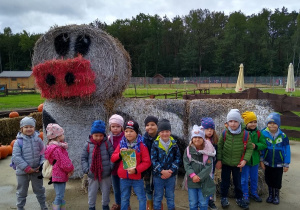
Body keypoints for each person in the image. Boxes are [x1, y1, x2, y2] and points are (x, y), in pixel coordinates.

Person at [216, 109, 253, 209]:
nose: (233, 124)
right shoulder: (224, 133)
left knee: (238, 182)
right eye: (230, 121)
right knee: (225, 182)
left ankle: (239, 198)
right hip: (226, 163)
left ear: (239, 122)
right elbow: (220, 147)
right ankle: (224, 198)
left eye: (235, 121)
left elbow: (249, 148)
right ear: (227, 122)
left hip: (238, 164)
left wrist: (245, 160)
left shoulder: (245, 134)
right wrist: (219, 160)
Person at [111, 120, 151, 210]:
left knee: (141, 198)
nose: (128, 133)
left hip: (137, 178)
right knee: (124, 198)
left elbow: (147, 162)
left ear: (136, 132)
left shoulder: (141, 145)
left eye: (131, 131)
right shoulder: (122, 144)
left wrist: (136, 170)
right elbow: (113, 158)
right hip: (124, 178)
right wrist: (120, 154)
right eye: (126, 131)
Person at [11, 117, 48, 210]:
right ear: (21, 129)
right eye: (26, 127)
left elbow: (43, 153)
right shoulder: (18, 142)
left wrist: (41, 165)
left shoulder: (38, 140)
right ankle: (20, 207)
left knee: (39, 190)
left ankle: (43, 206)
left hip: (36, 171)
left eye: (31, 126)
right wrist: (27, 168)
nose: (28, 129)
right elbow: (16, 157)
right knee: (21, 192)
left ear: (34, 128)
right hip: (22, 173)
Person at [81, 120, 114, 210]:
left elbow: (112, 155)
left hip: (106, 173)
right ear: (92, 135)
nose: (98, 138)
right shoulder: (87, 144)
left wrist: (110, 167)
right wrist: (86, 169)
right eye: (96, 135)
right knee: (92, 192)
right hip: (92, 173)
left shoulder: (107, 143)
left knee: (106, 192)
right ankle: (91, 207)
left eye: (101, 135)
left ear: (104, 135)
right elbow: (83, 158)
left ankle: (105, 206)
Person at [260, 112, 291, 205]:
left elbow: (287, 150)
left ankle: (276, 195)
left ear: (278, 124)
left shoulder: (283, 136)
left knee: (277, 180)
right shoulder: (263, 133)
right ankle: (270, 195)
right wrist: (262, 160)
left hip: (279, 163)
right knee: (268, 179)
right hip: (267, 162)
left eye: (274, 123)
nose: (272, 125)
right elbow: (262, 148)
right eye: (270, 123)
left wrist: (286, 164)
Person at [151, 119, 181, 210]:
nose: (165, 134)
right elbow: (153, 160)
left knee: (170, 196)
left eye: (167, 131)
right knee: (158, 197)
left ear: (170, 132)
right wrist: (162, 171)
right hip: (158, 176)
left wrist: (171, 170)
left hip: (171, 176)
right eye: (162, 131)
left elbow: (178, 158)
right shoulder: (155, 144)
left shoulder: (174, 144)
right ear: (159, 133)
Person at [183, 125, 216, 210]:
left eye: (200, 137)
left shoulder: (208, 150)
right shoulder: (188, 150)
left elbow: (209, 166)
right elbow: (186, 164)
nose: (197, 139)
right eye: (195, 137)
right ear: (192, 139)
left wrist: (200, 177)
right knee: (193, 203)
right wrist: (193, 175)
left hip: (204, 182)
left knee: (203, 204)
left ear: (203, 138)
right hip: (192, 181)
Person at [44, 123, 74, 210]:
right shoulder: (57, 149)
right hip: (59, 174)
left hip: (58, 174)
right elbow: (64, 162)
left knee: (60, 194)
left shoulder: (54, 147)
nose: (63, 135)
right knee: (59, 195)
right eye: (62, 134)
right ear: (57, 137)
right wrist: (71, 169)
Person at [241, 111, 267, 204]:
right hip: (245, 161)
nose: (253, 124)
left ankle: (254, 193)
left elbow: (264, 144)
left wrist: (256, 146)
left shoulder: (258, 133)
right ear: (246, 123)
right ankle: (245, 194)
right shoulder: (242, 133)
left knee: (254, 178)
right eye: (251, 122)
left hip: (255, 161)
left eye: (255, 122)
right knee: (244, 178)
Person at [201, 117, 218, 210]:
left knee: (210, 182)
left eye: (211, 129)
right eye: (207, 129)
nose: (210, 131)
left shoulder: (214, 141)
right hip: (201, 166)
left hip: (211, 166)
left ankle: (210, 200)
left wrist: (218, 160)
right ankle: (202, 199)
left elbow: (217, 152)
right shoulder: (199, 140)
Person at [108, 114, 125, 210]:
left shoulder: (125, 137)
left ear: (121, 127)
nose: (115, 129)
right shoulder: (109, 138)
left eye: (118, 126)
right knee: (116, 188)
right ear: (110, 127)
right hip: (113, 167)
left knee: (124, 188)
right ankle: (118, 204)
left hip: (123, 167)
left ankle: (125, 204)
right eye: (113, 126)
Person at [142, 116, 159, 210]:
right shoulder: (144, 139)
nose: (150, 127)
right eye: (147, 125)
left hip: (158, 167)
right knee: (147, 187)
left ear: (157, 126)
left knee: (158, 187)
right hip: (147, 168)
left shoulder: (161, 137)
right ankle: (150, 205)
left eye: (152, 125)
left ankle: (158, 204)